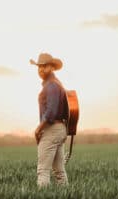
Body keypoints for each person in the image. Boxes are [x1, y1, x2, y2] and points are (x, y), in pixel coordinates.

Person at [30, 53, 69, 188]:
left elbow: (51, 113)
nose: (41, 69)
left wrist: (38, 128)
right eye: (39, 66)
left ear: (52, 67)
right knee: (59, 172)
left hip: (51, 129)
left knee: (43, 170)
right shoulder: (56, 84)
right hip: (60, 130)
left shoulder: (51, 86)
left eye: (44, 66)